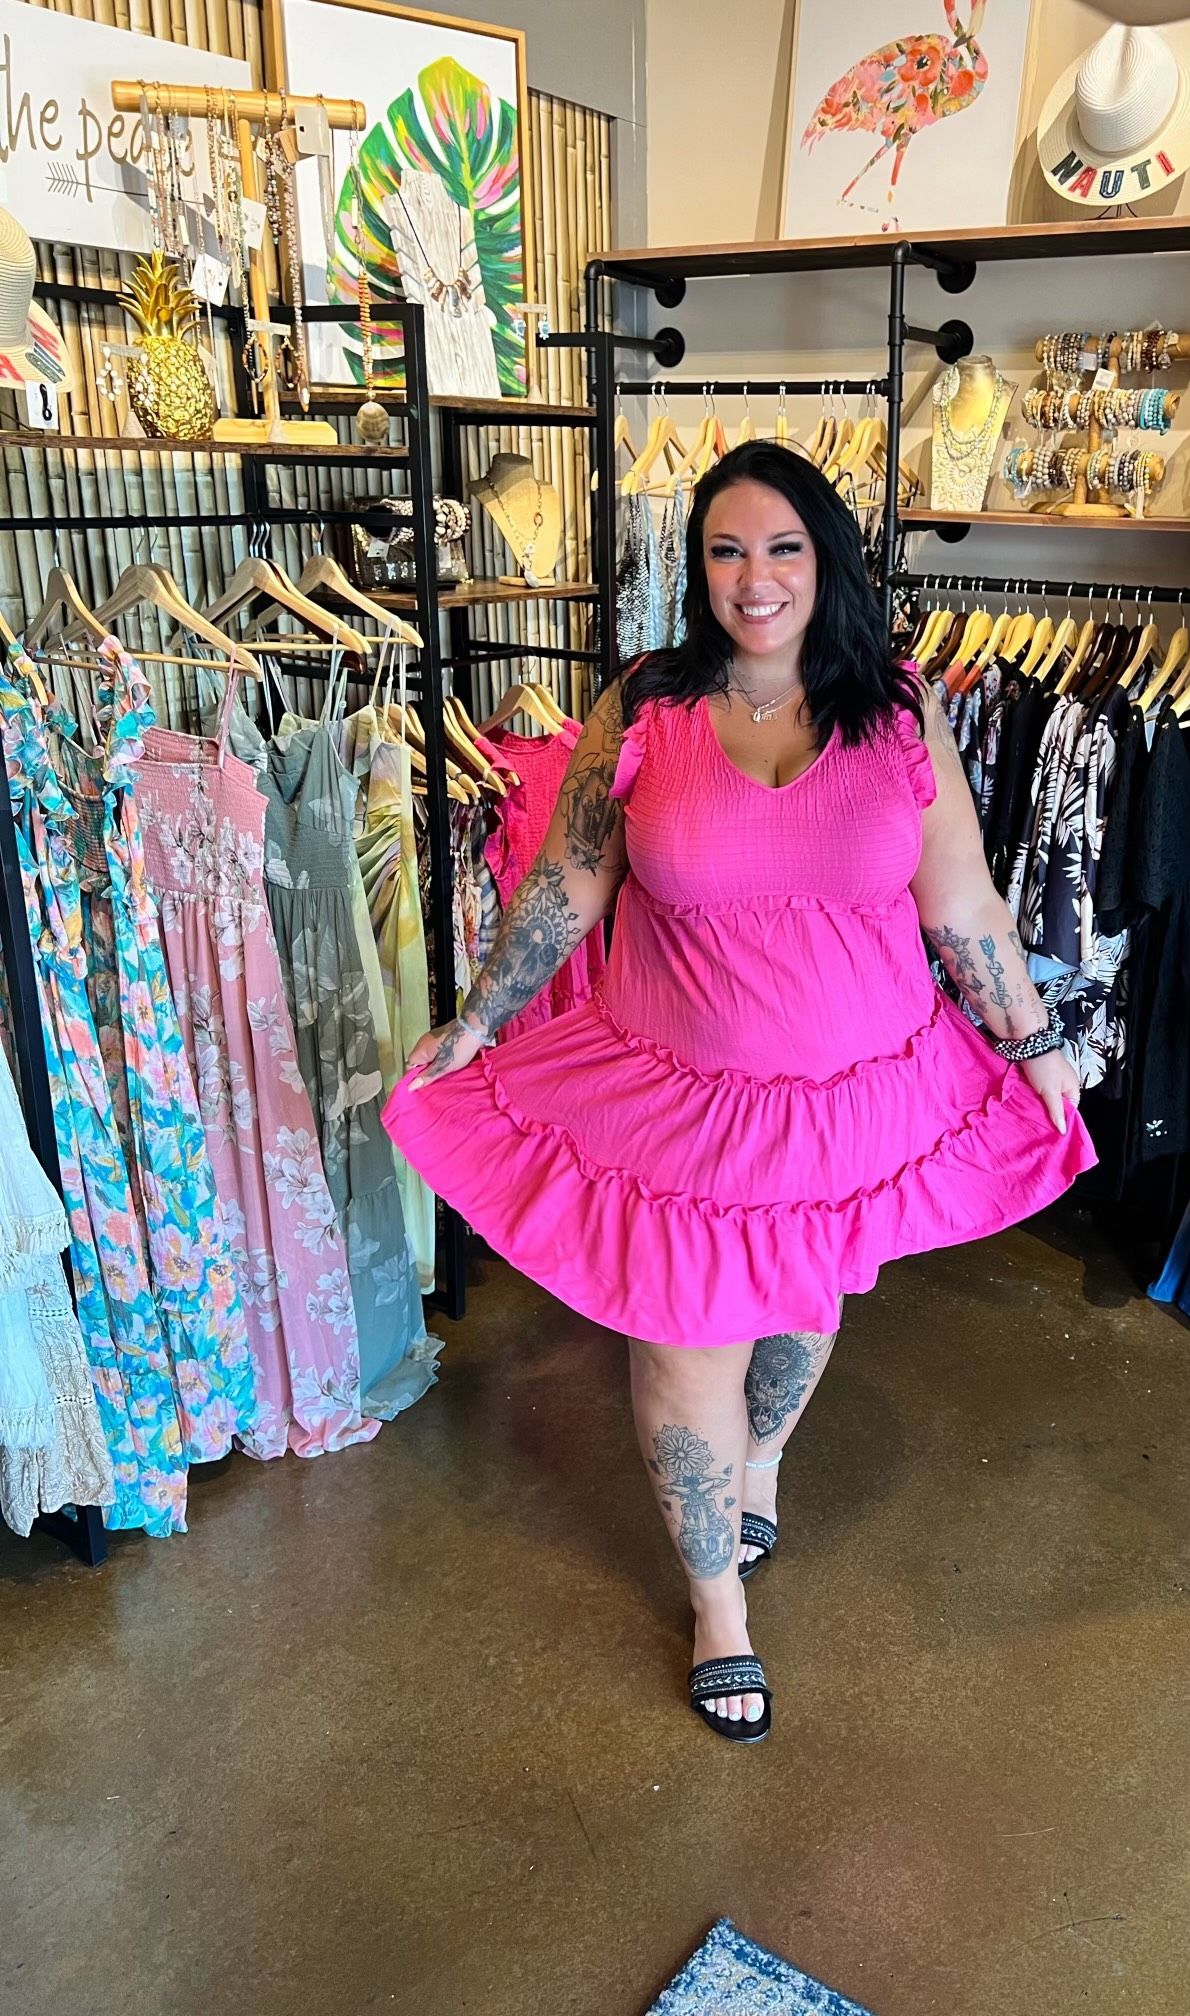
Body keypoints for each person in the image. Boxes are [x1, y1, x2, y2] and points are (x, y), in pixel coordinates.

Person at [385, 441, 1093, 1745]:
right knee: (687, 1346)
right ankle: (720, 1609)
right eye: (725, 551)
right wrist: (481, 1014)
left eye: (781, 549)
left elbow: (963, 903)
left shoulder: (896, 710)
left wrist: (1036, 1039)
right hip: (683, 1109)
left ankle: (760, 1463)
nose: (754, 578)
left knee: (808, 1308)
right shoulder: (647, 706)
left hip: (852, 1100)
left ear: (826, 562)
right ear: (696, 567)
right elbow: (569, 881)